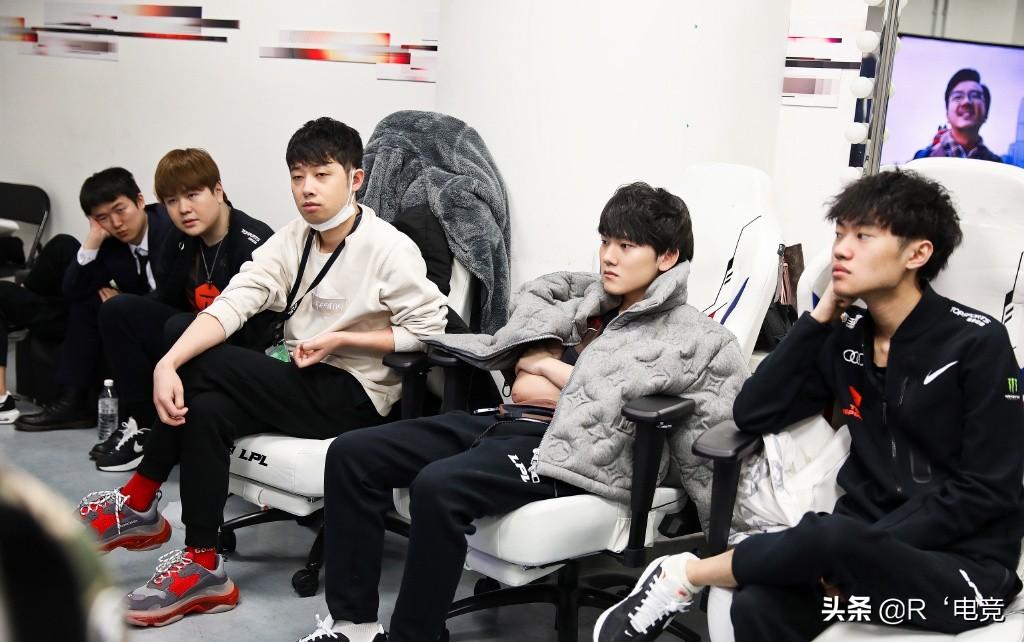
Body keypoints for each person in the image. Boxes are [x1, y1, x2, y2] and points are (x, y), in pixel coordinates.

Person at [293, 181, 749, 642]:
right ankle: (354, 626)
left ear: (667, 257)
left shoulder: (697, 338)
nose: (608, 257)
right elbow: (530, 309)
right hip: (506, 420)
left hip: (573, 454)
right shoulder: (585, 304)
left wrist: (547, 366)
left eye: (626, 247)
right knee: (352, 454)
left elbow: (714, 443)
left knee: (439, 486)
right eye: (605, 241)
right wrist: (537, 350)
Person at [593, 170, 1024, 642]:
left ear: (917, 254)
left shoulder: (978, 343)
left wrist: (853, 550)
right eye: (839, 234)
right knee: (757, 606)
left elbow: (986, 492)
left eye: (863, 236)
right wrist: (820, 317)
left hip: (961, 571)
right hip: (852, 552)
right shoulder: (848, 337)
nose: (841, 249)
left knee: (830, 535)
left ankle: (685, 575)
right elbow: (752, 413)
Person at [75, 116, 448, 627]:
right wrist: (167, 363)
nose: (307, 188)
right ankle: (203, 564)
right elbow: (234, 303)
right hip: (301, 379)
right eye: (298, 176)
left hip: (356, 395)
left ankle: (140, 496)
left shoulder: (388, 247)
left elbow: (429, 331)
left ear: (355, 179)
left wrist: (342, 339)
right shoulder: (294, 238)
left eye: (322, 174)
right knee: (205, 404)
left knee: (199, 359)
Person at [89, 148, 275, 472]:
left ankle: (172, 436)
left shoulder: (253, 241)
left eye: (192, 195)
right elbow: (165, 297)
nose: (183, 209)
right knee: (118, 311)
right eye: (172, 201)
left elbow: (263, 330)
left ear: (218, 191)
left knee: (178, 326)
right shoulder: (179, 240)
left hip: (243, 350)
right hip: (188, 336)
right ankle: (141, 425)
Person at [17, 168, 173, 431]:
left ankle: (137, 420)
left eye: (120, 210)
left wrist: (129, 303)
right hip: (138, 316)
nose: (116, 223)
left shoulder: (169, 228)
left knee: (116, 305)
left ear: (139, 200)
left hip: (176, 316)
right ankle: (72, 401)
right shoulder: (111, 243)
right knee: (90, 299)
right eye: (103, 218)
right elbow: (72, 289)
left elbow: (174, 291)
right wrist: (93, 238)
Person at [0, 234, 80, 424]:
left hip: (86, 313)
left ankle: (1, 400)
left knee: (65, 245)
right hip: (66, 305)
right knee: (62, 243)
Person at [913, 68, 1003, 163]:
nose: (966, 102)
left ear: (986, 113)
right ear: (947, 114)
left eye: (975, 96)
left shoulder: (998, 165)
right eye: (958, 97)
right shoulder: (921, 160)